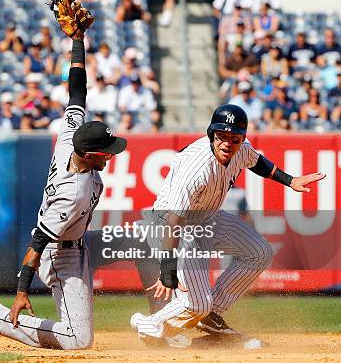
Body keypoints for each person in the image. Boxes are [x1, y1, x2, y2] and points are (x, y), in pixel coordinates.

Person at [0, 0, 128, 350]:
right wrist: (22, 291)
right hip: (61, 252)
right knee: (78, 340)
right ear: (90, 155)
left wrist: (78, 40)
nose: (111, 156)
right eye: (107, 152)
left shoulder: (72, 136)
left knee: (148, 240)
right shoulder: (73, 193)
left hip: (80, 242)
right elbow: (38, 241)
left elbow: (77, 91)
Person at [130, 104, 325, 345]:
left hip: (207, 216)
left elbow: (258, 162)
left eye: (234, 138)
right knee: (196, 304)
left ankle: (212, 316)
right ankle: (147, 324)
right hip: (174, 224)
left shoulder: (241, 149)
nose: (227, 143)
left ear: (242, 138)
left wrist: (290, 180)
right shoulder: (196, 168)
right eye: (221, 136)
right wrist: (168, 267)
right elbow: (174, 219)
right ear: (211, 134)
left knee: (259, 252)